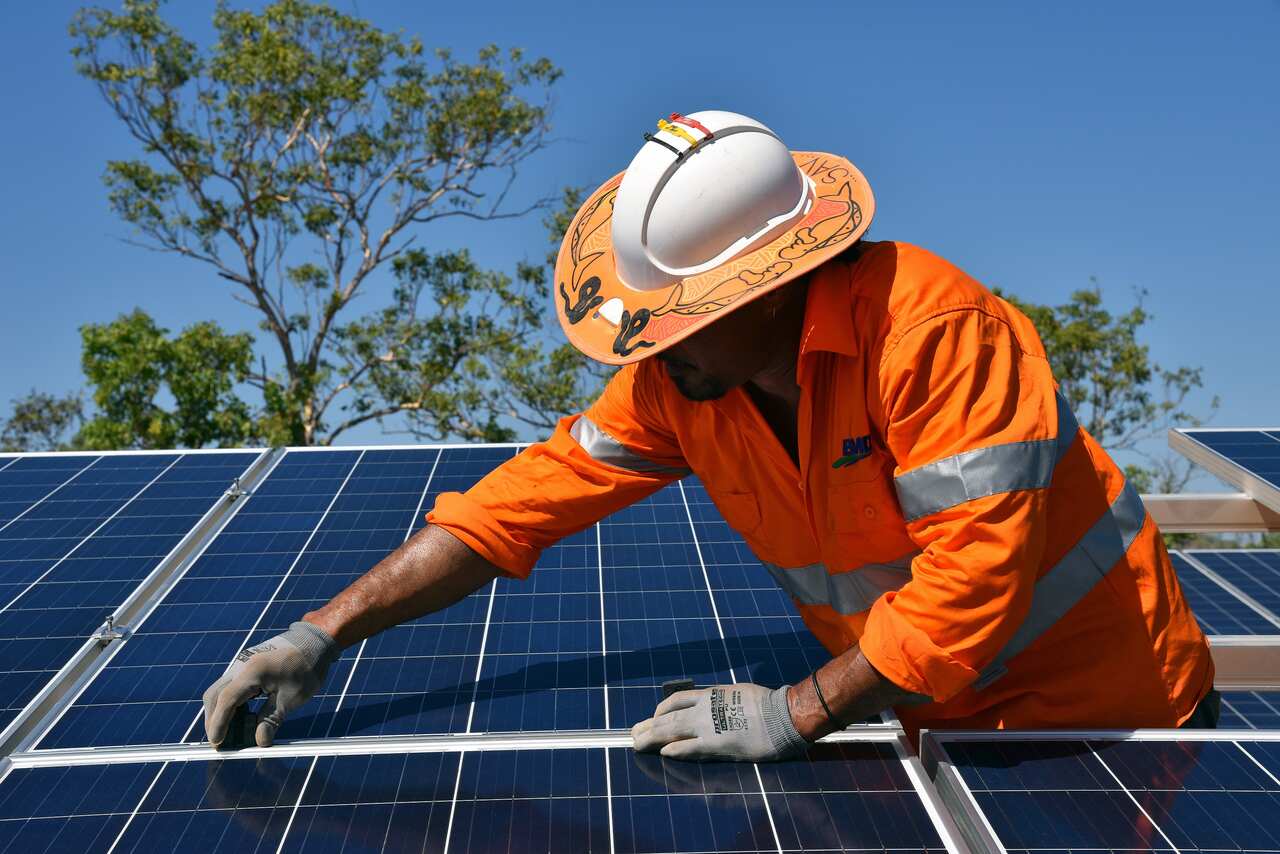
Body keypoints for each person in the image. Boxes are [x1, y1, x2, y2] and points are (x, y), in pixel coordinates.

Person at [202, 110, 1217, 761]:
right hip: (922, 722)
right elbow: (514, 506)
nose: (649, 349)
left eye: (677, 319)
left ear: (774, 288)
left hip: (1109, 729)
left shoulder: (933, 335)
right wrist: (324, 628)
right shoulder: (681, 386)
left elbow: (966, 594)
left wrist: (794, 709)